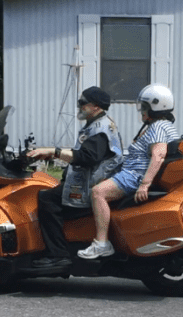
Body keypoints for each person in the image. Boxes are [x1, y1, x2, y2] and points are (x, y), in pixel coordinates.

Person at [26, 86, 123, 273]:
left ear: (95, 106)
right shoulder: (98, 124)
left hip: (91, 185)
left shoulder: (101, 129)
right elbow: (81, 153)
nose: (79, 106)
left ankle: (57, 255)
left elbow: (87, 157)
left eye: (82, 103)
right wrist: (53, 156)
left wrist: (53, 151)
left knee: (47, 199)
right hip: (89, 180)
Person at [78, 84, 180, 260]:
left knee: (98, 192)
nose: (142, 111)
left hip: (134, 176)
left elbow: (158, 154)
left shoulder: (158, 127)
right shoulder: (162, 125)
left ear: (156, 108)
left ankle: (101, 244)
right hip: (132, 173)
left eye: (145, 107)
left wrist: (144, 184)